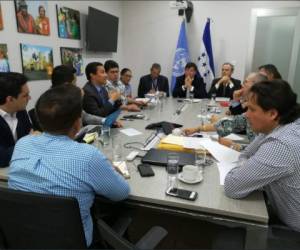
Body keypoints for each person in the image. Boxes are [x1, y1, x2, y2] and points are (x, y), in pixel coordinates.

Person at [8, 85, 130, 247]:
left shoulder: (22, 144)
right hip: (72, 243)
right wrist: (110, 168)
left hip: (23, 239)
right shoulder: (88, 156)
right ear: (78, 123)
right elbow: (121, 193)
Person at [224, 79, 300, 234]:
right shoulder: (282, 126)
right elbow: (246, 154)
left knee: (226, 237)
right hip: (281, 212)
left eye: (252, 109)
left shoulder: (281, 145)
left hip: (292, 231)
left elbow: (232, 187)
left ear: (272, 114)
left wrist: (247, 165)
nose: (246, 114)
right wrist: (250, 163)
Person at [0, 72, 32, 167]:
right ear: (10, 99)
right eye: (25, 95)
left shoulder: (20, 111)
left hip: (22, 166)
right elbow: (2, 158)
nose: (30, 98)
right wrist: (29, 141)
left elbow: (30, 133)